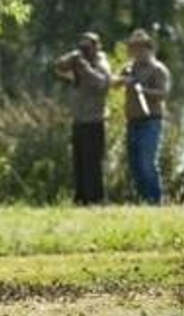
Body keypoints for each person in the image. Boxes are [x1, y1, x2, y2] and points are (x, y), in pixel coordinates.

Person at [54, 32, 112, 205]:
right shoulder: (77, 61)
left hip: (94, 121)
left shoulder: (101, 64)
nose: (84, 51)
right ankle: (81, 199)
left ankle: (96, 199)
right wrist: (72, 57)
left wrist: (86, 69)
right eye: (82, 47)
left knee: (92, 164)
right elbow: (58, 67)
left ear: (96, 47)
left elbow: (102, 84)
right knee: (79, 162)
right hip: (79, 120)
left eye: (87, 47)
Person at [116, 29, 171, 204]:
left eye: (141, 47)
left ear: (149, 48)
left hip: (151, 121)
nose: (137, 51)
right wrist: (122, 81)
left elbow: (163, 94)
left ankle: (155, 201)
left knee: (147, 163)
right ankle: (143, 200)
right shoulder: (129, 68)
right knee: (135, 165)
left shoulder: (158, 69)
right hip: (132, 121)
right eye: (134, 48)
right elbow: (115, 83)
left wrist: (142, 89)